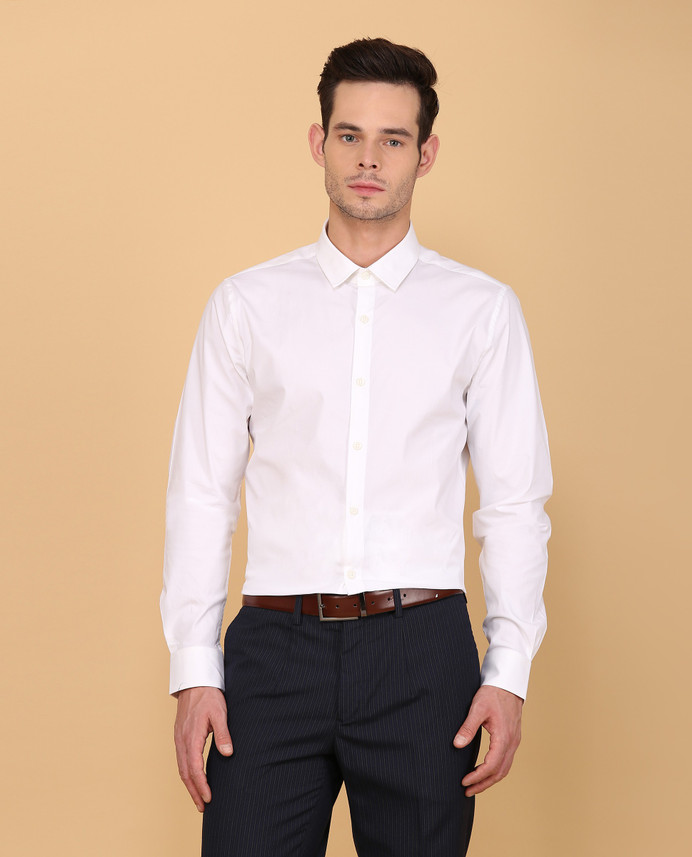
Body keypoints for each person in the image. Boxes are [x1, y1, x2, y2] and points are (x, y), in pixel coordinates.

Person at [161, 36, 552, 857]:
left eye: (393, 139)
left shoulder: (481, 311)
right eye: (350, 135)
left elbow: (515, 502)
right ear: (319, 143)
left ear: (425, 154)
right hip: (273, 650)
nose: (369, 159)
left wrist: (509, 668)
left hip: (422, 653)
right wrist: (194, 666)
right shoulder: (245, 306)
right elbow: (201, 493)